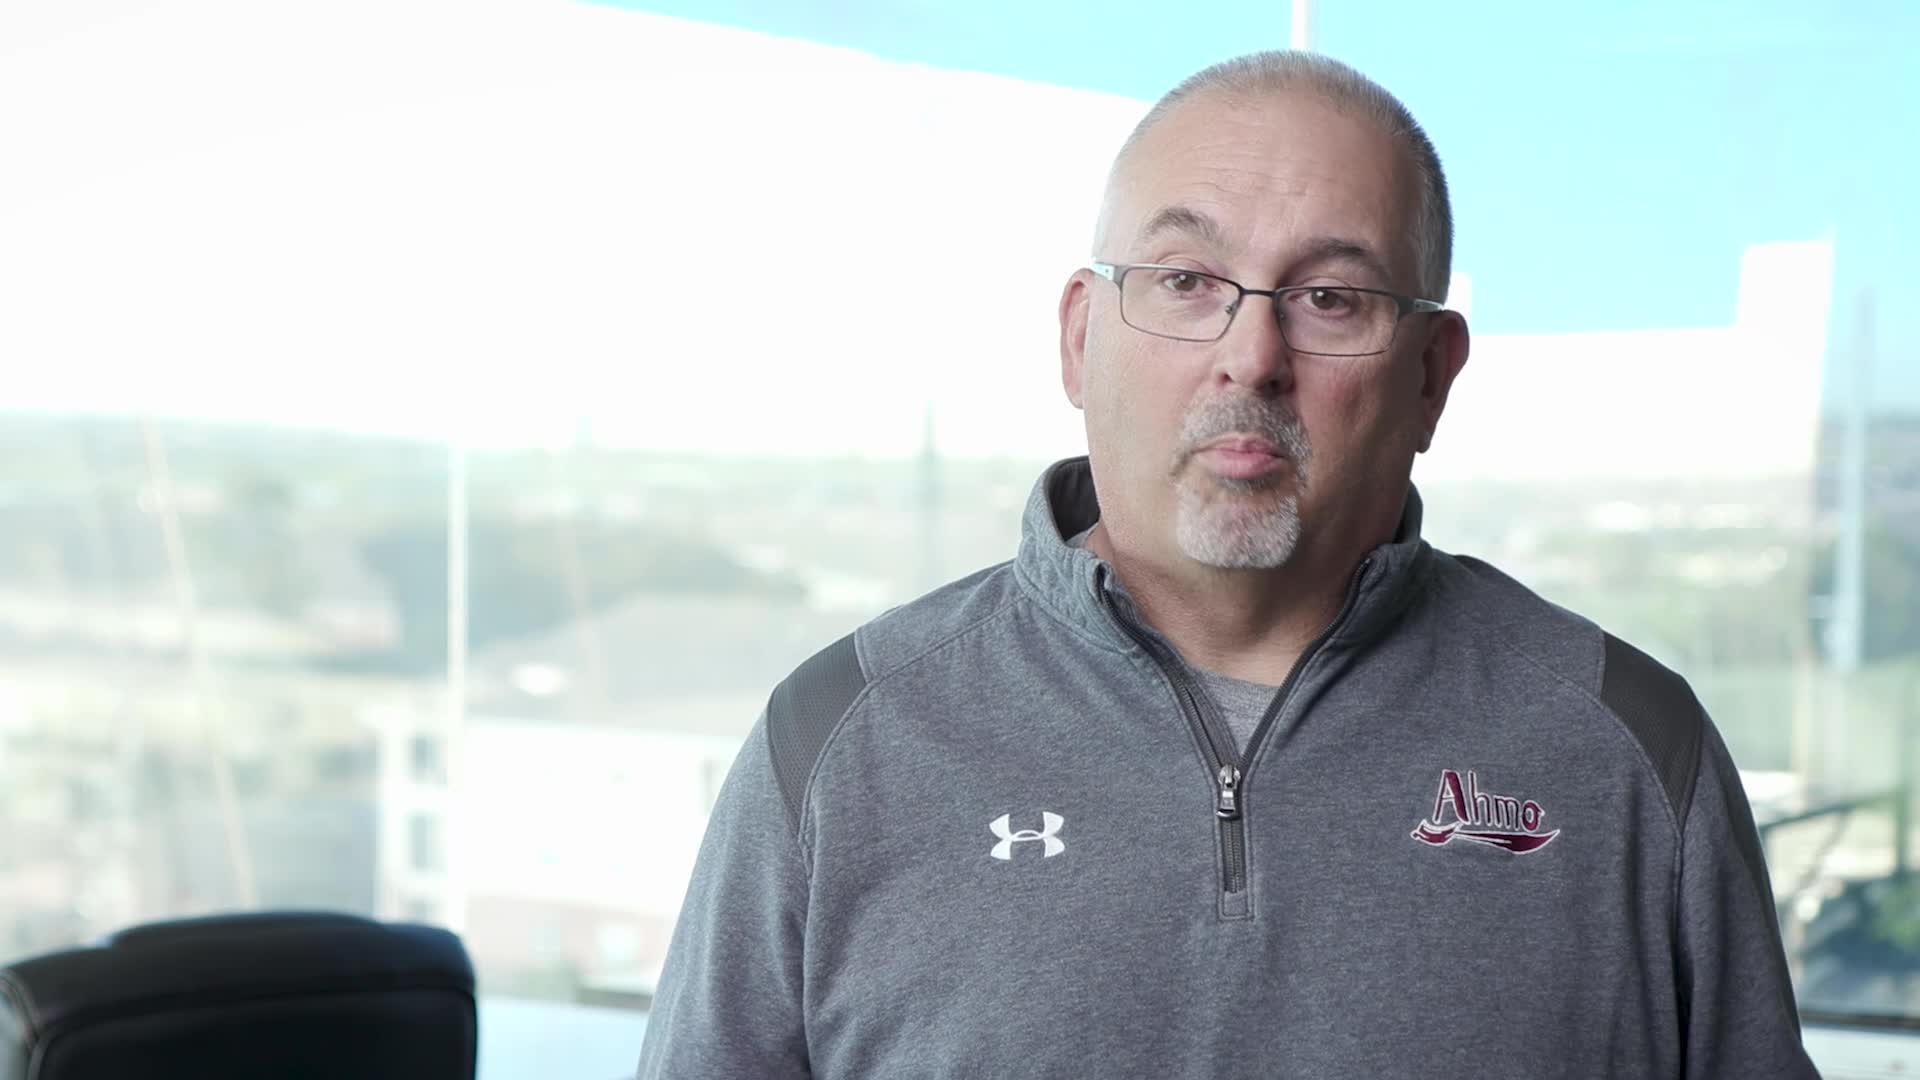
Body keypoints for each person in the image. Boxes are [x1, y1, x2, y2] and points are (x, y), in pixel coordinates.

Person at [636, 50, 1820, 1079]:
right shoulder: (843, 748)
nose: (1251, 356)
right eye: (1186, 283)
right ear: (1080, 337)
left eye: (1331, 297)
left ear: (1430, 376)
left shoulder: (1628, 754)